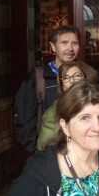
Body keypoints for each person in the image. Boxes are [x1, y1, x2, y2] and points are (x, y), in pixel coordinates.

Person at [15, 24, 81, 152]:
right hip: (48, 151)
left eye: (75, 43)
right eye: (64, 43)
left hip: (79, 150)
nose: (70, 48)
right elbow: (24, 118)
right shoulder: (39, 77)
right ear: (53, 47)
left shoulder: (84, 75)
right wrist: (37, 151)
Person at [37, 60, 99, 150]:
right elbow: (44, 145)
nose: (72, 81)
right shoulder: (53, 112)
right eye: (66, 78)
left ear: (86, 78)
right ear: (62, 86)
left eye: (77, 75)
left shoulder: (98, 104)